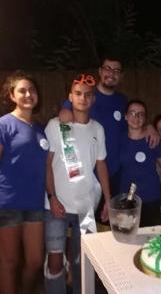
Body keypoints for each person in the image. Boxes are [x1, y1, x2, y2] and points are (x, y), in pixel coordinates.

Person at [45, 74, 111, 294]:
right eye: (78, 94)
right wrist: (52, 197)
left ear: (92, 100)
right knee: (55, 262)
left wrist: (108, 200)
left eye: (88, 95)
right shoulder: (57, 125)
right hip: (57, 205)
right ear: (70, 97)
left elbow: (101, 166)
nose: (83, 98)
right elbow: (47, 165)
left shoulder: (98, 129)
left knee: (83, 261)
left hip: (86, 206)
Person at [59, 56, 158, 197]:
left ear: (121, 76)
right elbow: (65, 116)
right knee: (85, 216)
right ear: (100, 71)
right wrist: (64, 110)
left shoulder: (122, 101)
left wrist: (148, 126)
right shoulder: (86, 95)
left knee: (110, 217)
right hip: (87, 172)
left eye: (116, 70)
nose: (111, 73)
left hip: (115, 173)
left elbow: (134, 122)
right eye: (107, 68)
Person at [0, 71, 48, 294]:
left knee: (35, 261)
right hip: (8, 202)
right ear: (12, 95)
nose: (28, 94)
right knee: (9, 263)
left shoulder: (40, 129)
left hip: (35, 204)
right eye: (22, 90)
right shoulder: (4, 125)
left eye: (32, 90)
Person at [118, 100, 161, 227]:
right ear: (126, 116)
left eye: (140, 114)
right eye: (132, 113)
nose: (136, 117)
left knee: (152, 240)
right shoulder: (119, 138)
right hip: (127, 199)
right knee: (127, 240)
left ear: (145, 118)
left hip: (151, 198)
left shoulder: (152, 138)